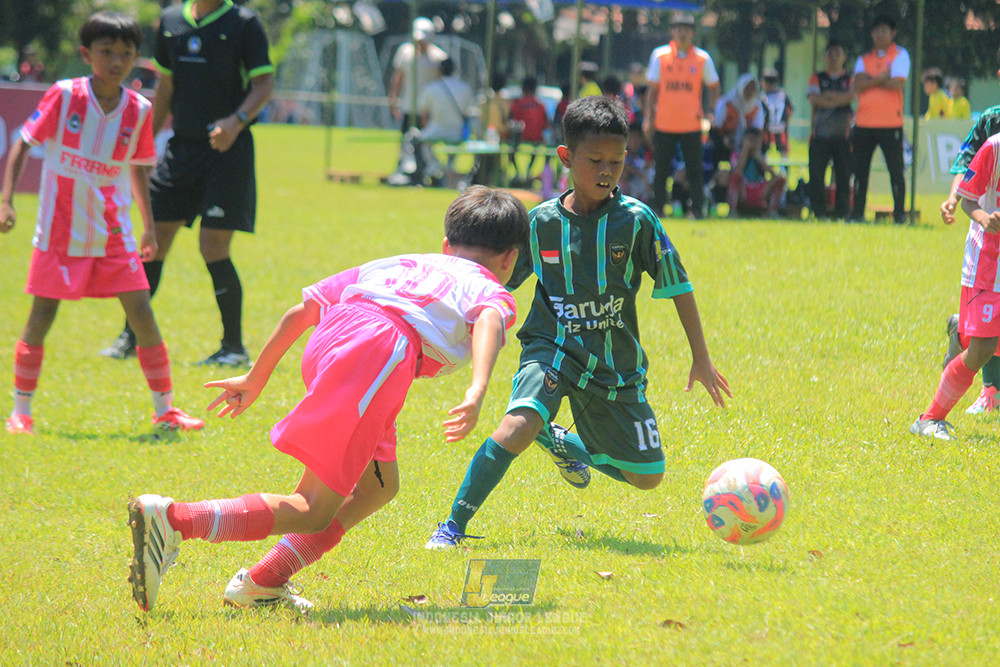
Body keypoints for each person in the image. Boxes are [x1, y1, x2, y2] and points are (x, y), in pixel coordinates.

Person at [127, 186, 529, 613]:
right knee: (312, 509)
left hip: (334, 341)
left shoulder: (404, 262)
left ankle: (262, 583)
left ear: (446, 244)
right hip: (378, 357)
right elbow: (488, 320)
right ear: (509, 260)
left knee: (377, 486)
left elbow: (304, 309)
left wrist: (256, 376)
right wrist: (478, 387)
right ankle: (175, 522)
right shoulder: (491, 289)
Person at [423, 95, 731, 550]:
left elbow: (678, 285)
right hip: (551, 348)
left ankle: (559, 440)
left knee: (648, 476)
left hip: (614, 364)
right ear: (566, 157)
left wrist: (701, 358)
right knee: (517, 425)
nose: (607, 171)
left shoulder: (636, 221)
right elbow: (496, 282)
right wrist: (442, 313)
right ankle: (452, 525)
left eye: (617, 161)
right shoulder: (540, 223)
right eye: (595, 160)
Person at [0, 11, 204, 435]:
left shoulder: (139, 108)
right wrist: (5, 201)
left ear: (135, 58)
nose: (116, 60)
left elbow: (138, 169)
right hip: (59, 231)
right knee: (41, 316)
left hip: (113, 232)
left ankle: (165, 409)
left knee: (142, 313)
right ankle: (21, 411)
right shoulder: (64, 95)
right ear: (86, 54)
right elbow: (23, 144)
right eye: (106, 51)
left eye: (125, 53)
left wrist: (148, 225)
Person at [102, 0, 275, 366]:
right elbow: (166, 84)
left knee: (212, 245)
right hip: (182, 151)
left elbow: (264, 85)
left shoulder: (244, 22)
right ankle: (130, 337)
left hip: (228, 151)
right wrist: (144, 148)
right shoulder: (169, 21)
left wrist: (236, 120)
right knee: (153, 241)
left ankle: (233, 348)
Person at [910, 134, 1000, 441]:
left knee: (991, 340)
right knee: (985, 347)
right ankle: (929, 418)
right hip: (989, 263)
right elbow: (969, 195)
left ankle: (961, 330)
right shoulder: (994, 147)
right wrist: (985, 218)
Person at [939, 48, 1000, 414]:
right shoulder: (991, 124)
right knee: (990, 319)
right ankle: (989, 390)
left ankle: (962, 326)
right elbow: (967, 165)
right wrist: (952, 200)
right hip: (989, 240)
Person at [644, 12, 720, 219]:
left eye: (686, 28)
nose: (682, 32)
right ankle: (659, 210)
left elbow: (714, 87)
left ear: (694, 33)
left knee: (695, 171)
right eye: (678, 28)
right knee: (661, 171)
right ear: (672, 31)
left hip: (692, 124)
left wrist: (711, 112)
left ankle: (697, 210)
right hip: (664, 123)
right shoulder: (660, 56)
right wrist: (648, 118)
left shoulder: (702, 58)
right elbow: (652, 91)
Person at [848, 14, 910, 224]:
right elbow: (857, 86)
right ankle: (857, 213)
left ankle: (900, 214)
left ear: (893, 33)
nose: (880, 34)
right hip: (864, 124)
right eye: (877, 30)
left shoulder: (900, 55)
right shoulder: (863, 58)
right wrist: (883, 77)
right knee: (860, 172)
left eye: (885, 30)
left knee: (896, 171)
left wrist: (870, 81)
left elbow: (898, 84)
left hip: (890, 123)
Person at [394, 58, 473, 187]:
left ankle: (434, 168)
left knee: (414, 139)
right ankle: (445, 169)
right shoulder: (464, 87)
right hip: (457, 131)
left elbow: (424, 115)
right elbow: (466, 112)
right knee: (447, 153)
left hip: (436, 129)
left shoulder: (432, 88)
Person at [807, 40, 854, 220]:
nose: (833, 57)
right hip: (820, 135)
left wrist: (829, 97)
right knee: (817, 175)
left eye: (837, 53)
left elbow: (852, 96)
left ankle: (842, 212)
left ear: (844, 57)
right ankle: (818, 212)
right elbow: (814, 99)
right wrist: (839, 100)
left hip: (843, 136)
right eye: (830, 53)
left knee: (843, 175)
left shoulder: (849, 78)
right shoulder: (817, 77)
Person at [388, 17, 447, 135]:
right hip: (409, 107)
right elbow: (398, 78)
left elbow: (442, 85)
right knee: (406, 143)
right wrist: (393, 101)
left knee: (425, 145)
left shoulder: (439, 57)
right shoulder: (405, 52)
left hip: (429, 110)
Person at [726, 127, 786, 218]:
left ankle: (773, 211)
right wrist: (745, 150)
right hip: (743, 190)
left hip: (760, 189)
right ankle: (732, 211)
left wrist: (758, 156)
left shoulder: (762, 156)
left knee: (780, 179)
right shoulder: (737, 155)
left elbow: (773, 175)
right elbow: (737, 170)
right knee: (735, 176)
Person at [712, 74, 765, 164]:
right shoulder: (726, 104)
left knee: (749, 145)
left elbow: (757, 131)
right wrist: (725, 139)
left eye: (753, 89)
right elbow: (716, 129)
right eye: (747, 88)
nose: (750, 92)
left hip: (747, 146)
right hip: (723, 146)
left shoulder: (757, 107)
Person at [508, 76, 550, 186]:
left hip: (520, 139)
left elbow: (510, 121)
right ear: (535, 89)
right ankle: (529, 173)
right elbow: (546, 124)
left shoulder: (517, 104)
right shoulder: (541, 105)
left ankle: (518, 173)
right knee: (539, 149)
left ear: (522, 88)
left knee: (509, 149)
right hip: (537, 139)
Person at [760, 68, 793, 158]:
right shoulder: (783, 95)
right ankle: (783, 170)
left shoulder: (763, 97)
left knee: (764, 153)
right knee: (782, 153)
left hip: (767, 128)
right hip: (781, 127)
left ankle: (765, 168)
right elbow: (790, 110)